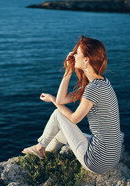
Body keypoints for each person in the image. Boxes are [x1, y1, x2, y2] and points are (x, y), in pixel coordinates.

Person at [22, 35, 123, 174]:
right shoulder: (103, 82)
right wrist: (68, 70)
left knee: (58, 114)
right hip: (111, 157)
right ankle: (43, 151)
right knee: (61, 134)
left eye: (77, 53)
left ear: (86, 60)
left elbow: (74, 118)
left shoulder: (93, 89)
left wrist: (52, 99)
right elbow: (62, 99)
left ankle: (40, 147)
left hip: (96, 161)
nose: (74, 55)